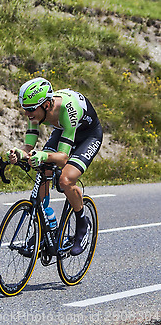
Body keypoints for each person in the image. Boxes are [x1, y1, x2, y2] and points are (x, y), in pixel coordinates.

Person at [8, 77, 103, 256]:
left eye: (30, 110)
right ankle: (46, 225)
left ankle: (82, 224)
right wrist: (17, 153)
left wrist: (44, 155)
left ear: (47, 105)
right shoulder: (36, 110)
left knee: (65, 179)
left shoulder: (68, 110)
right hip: (64, 131)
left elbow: (63, 158)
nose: (28, 115)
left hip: (88, 136)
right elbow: (28, 147)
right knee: (44, 169)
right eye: (25, 110)